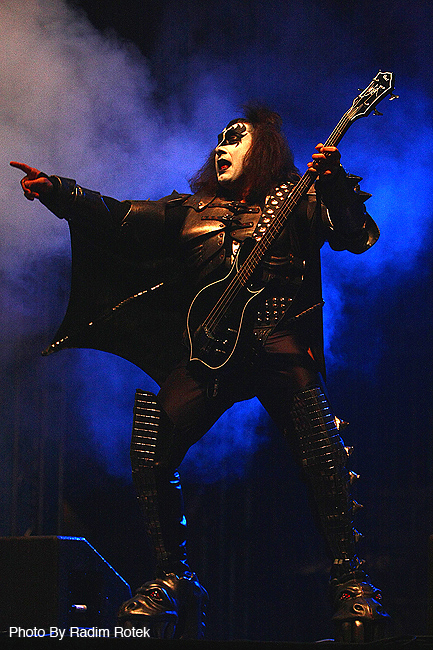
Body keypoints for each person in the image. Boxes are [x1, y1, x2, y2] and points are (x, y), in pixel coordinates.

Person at [11, 104, 388, 642]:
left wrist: (331, 183)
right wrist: (60, 192)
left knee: (322, 450)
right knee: (152, 443)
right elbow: (119, 218)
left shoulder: (300, 196)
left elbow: (358, 236)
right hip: (213, 353)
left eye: (235, 137)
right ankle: (174, 578)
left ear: (265, 149)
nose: (221, 146)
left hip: (279, 343)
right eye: (219, 139)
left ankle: (351, 580)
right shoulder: (191, 212)